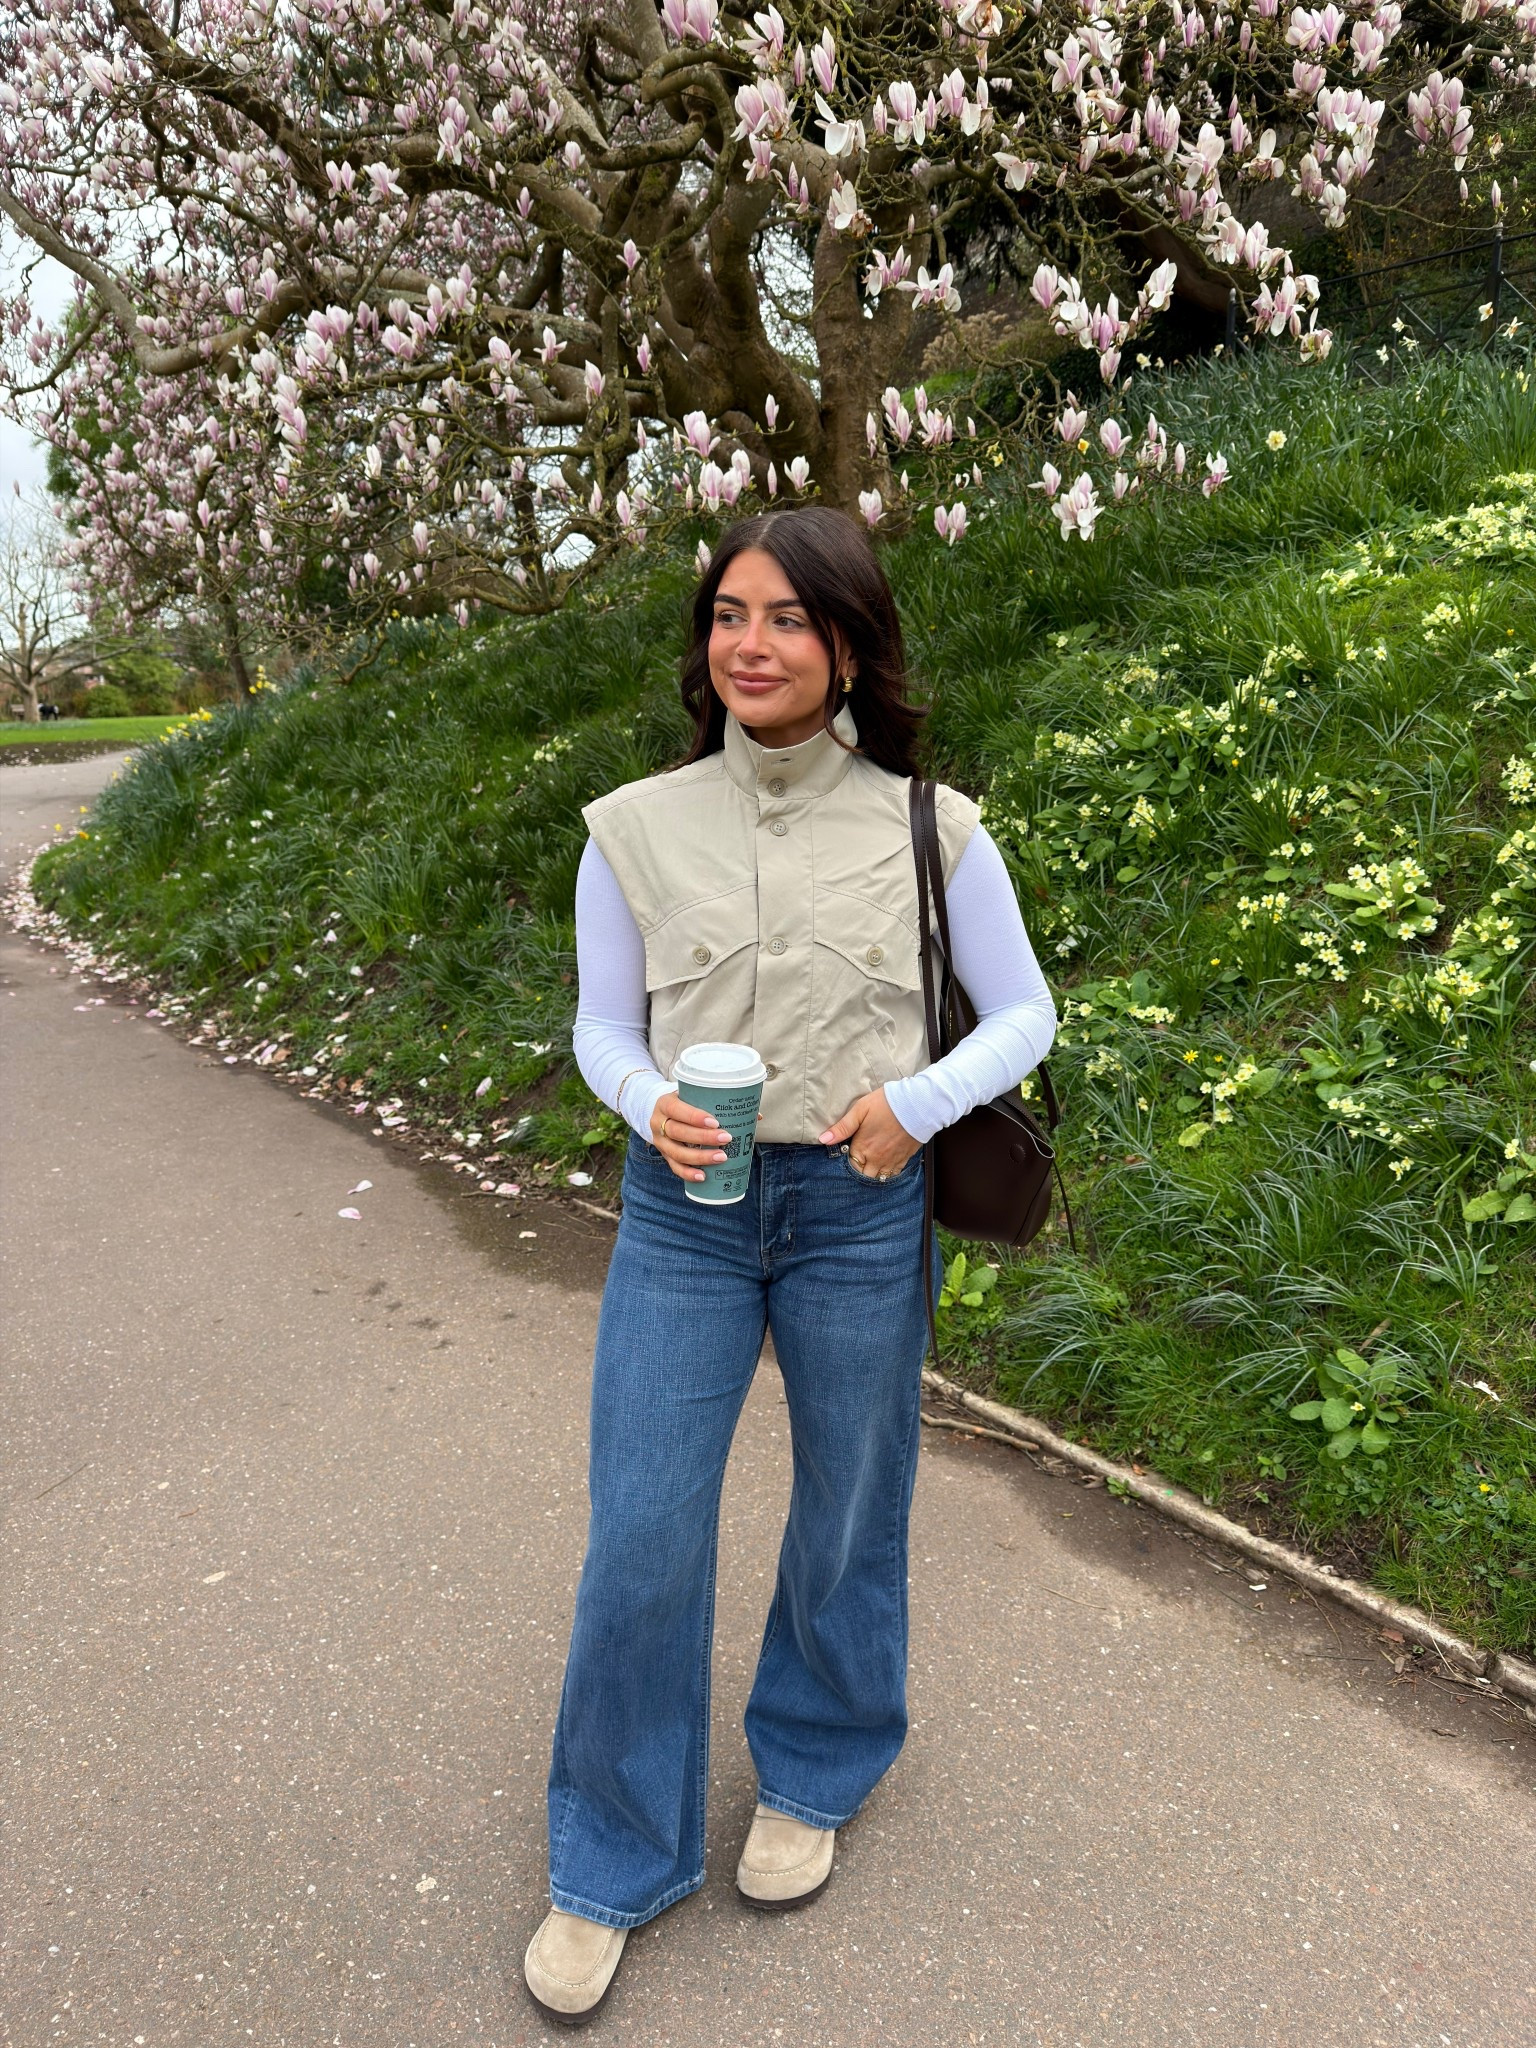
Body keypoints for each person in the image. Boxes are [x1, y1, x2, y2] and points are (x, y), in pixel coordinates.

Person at [524, 505, 1056, 2025]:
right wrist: (646, 1105)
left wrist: (914, 1105)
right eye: (727, 617)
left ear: (846, 644)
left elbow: (1024, 1013)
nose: (749, 646)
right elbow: (601, 1029)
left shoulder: (930, 827)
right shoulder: (633, 826)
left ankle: (817, 1767)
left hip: (857, 1207)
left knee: (848, 1504)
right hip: (685, 1212)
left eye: (786, 620)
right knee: (640, 1524)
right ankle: (609, 1859)